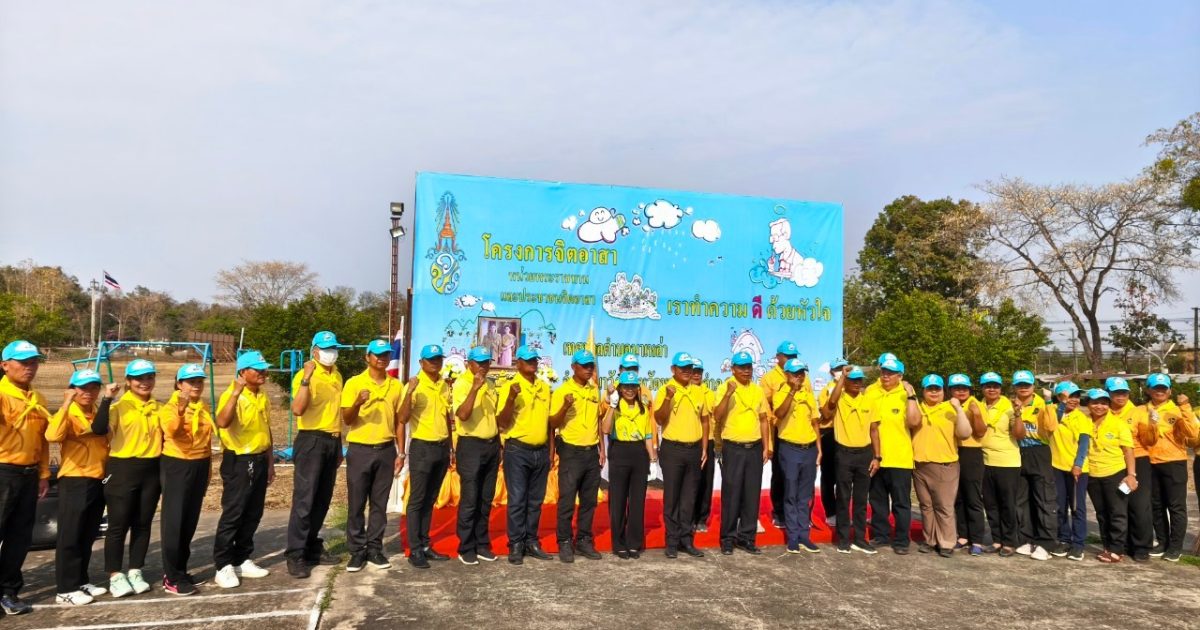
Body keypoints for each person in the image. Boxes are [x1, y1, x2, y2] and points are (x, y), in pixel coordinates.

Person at [46, 369, 116, 606]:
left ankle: (81, 580)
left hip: (98, 478)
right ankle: (65, 589)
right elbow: (52, 435)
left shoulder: (97, 411)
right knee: (71, 535)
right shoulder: (69, 412)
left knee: (87, 534)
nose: (89, 392)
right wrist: (66, 403)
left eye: (94, 387)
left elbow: (108, 437)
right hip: (75, 478)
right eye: (83, 388)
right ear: (72, 389)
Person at [100, 358, 163, 598]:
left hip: (152, 469)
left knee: (143, 523)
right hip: (123, 469)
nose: (145, 382)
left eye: (149, 377)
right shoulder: (118, 407)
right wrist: (107, 400)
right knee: (118, 525)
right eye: (138, 378)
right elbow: (101, 430)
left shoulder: (159, 407)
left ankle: (136, 570)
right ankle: (115, 575)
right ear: (128, 381)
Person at [213, 351, 275, 588]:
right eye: (257, 369)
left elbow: (266, 429)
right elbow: (222, 422)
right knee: (234, 512)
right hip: (239, 460)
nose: (263, 373)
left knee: (253, 512)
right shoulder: (233, 394)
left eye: (264, 369)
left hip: (259, 458)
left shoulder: (262, 395)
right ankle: (223, 565)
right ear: (242, 372)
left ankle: (242, 558)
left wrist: (270, 463)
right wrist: (236, 392)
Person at [341, 340, 404, 572]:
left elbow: (399, 421)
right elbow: (347, 419)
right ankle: (357, 551)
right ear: (367, 357)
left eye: (385, 354)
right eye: (377, 354)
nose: (382, 358)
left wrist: (401, 452)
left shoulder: (395, 385)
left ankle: (375, 549)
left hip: (386, 449)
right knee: (356, 503)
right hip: (360, 449)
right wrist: (358, 402)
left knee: (379, 504)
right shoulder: (354, 383)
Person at [287, 331, 345, 578]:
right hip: (311, 440)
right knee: (305, 500)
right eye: (325, 348)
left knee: (322, 499)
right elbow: (298, 409)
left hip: (332, 440)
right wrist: (306, 378)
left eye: (333, 348)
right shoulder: (305, 375)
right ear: (314, 351)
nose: (330, 353)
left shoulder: (337, 375)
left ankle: (312, 546)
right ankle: (295, 554)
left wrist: (339, 445)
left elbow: (335, 412)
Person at [0, 341, 51, 615]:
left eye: (33, 362)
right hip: (3, 471)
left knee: (19, 537)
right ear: (5, 365)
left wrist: (43, 473)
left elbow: (42, 441)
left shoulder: (38, 399)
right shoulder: (2, 395)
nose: (29, 367)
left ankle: (8, 592)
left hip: (29, 474)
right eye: (23, 362)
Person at [157, 364, 214, 595]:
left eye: (199, 381)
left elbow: (207, 439)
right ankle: (171, 576)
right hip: (178, 464)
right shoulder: (169, 408)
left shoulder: (202, 406)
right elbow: (171, 431)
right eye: (191, 382)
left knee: (189, 521)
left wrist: (208, 470)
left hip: (199, 464)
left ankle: (181, 570)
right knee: (174, 521)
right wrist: (181, 410)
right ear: (179, 384)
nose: (196, 386)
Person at [397, 345, 453, 570]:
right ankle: (415, 549)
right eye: (431, 360)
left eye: (438, 359)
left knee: (430, 499)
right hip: (422, 447)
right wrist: (410, 392)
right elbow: (402, 418)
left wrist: (451, 447)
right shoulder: (414, 384)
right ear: (421, 363)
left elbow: (446, 417)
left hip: (441, 447)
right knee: (417, 500)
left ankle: (425, 544)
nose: (435, 363)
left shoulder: (443, 384)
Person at [496, 345, 552, 564]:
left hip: (541, 450)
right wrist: (511, 398)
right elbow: (502, 422)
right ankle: (516, 543)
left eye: (534, 360)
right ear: (517, 363)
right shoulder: (509, 387)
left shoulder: (544, 387)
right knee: (518, 500)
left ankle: (531, 541)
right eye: (527, 360)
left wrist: (550, 450)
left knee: (536, 501)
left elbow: (549, 423)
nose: (532, 364)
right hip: (517, 450)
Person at [714, 350, 771, 555]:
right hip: (733, 448)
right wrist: (728, 394)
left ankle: (747, 537)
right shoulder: (725, 387)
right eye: (742, 367)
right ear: (733, 369)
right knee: (732, 494)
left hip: (754, 448)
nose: (746, 371)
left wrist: (766, 446)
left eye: (749, 367)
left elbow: (763, 419)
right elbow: (717, 416)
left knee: (751, 494)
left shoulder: (757, 390)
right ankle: (728, 538)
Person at [550, 349, 603, 562]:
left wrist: (602, 450)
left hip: (592, 452)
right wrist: (565, 406)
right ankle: (564, 541)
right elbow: (553, 423)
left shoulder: (594, 389)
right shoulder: (562, 391)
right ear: (573, 367)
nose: (589, 369)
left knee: (589, 501)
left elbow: (598, 420)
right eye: (584, 365)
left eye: (591, 365)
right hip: (571, 452)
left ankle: (583, 540)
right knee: (567, 500)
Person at [654, 352, 708, 559]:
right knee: (672, 498)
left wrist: (704, 448)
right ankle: (672, 541)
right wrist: (669, 397)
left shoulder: (698, 391)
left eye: (689, 368)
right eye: (682, 368)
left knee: (689, 498)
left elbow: (705, 420)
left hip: (694, 449)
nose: (687, 371)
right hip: (673, 450)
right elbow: (659, 419)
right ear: (673, 369)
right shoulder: (665, 389)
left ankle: (686, 540)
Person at [911, 375, 972, 557]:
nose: (934, 392)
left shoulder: (950, 408)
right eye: (929, 389)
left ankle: (946, 542)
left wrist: (959, 409)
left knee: (944, 507)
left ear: (943, 391)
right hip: (920, 465)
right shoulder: (917, 408)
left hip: (944, 465)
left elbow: (965, 433)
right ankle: (930, 540)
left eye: (937, 389)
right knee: (926, 506)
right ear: (923, 391)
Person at [452, 346, 502, 565]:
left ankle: (482, 544)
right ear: (468, 363)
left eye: (486, 362)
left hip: (491, 445)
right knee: (470, 498)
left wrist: (499, 444)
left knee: (485, 498)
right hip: (470, 445)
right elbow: (463, 415)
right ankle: (466, 546)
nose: (483, 366)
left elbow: (495, 416)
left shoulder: (491, 384)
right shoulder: (461, 384)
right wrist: (474, 388)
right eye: (479, 362)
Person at [865, 355, 919, 554]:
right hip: (875, 457)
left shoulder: (906, 394)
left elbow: (914, 422)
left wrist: (911, 396)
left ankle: (902, 540)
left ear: (900, 376)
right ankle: (881, 535)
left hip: (899, 458)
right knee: (877, 500)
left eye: (891, 373)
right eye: (884, 372)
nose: (886, 376)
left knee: (901, 503)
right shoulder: (871, 391)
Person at [1141, 374, 1197, 562]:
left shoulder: (1177, 410)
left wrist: (1185, 407)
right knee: (1156, 505)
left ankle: (1175, 547)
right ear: (1148, 390)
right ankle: (1162, 542)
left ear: (1170, 391)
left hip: (1174, 462)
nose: (1160, 391)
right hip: (1150, 463)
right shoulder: (1142, 411)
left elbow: (1193, 433)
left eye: (1164, 388)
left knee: (1176, 506)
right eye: (1156, 388)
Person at [601, 371, 655, 559]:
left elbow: (648, 436)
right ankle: (618, 543)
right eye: (626, 386)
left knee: (637, 501)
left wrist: (653, 459)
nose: (630, 390)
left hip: (639, 454)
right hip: (620, 452)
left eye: (633, 386)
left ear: (638, 388)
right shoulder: (615, 406)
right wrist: (612, 406)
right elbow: (605, 429)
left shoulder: (643, 408)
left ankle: (634, 542)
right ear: (620, 388)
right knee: (618, 500)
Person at [771, 358, 822, 553]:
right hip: (790, 449)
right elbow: (779, 414)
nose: (800, 376)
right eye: (796, 373)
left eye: (802, 373)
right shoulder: (781, 393)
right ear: (787, 375)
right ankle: (792, 537)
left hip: (809, 449)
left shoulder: (808, 394)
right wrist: (792, 391)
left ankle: (804, 536)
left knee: (805, 495)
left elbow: (815, 423)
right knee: (791, 493)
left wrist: (819, 449)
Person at [822, 366, 874, 554]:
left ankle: (859, 539)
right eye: (853, 380)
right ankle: (843, 539)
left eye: (860, 380)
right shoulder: (840, 397)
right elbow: (830, 404)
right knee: (843, 497)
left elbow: (874, 430)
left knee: (861, 499)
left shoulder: (868, 400)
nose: (857, 383)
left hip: (865, 453)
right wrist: (842, 378)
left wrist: (877, 456)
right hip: (844, 453)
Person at [1083, 388, 1138, 564]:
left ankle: (1117, 549)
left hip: (1114, 472)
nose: (1099, 406)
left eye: (1103, 403)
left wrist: (1131, 475)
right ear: (1088, 404)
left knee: (1117, 512)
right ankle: (1107, 546)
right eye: (1095, 402)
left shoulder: (1118, 424)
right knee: (1101, 513)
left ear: (1108, 405)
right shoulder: (1084, 422)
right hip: (1092, 473)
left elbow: (1128, 451)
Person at [1011, 370, 1058, 562]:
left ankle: (1046, 542)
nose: (1023, 388)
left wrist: (1048, 402)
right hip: (1018, 452)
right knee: (1022, 499)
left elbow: (1051, 427)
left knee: (1044, 498)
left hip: (1039, 451)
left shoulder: (1042, 403)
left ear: (1033, 386)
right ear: (1014, 387)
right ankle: (1026, 538)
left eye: (1027, 384)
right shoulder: (1010, 404)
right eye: (1019, 384)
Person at [1106, 377, 1153, 562]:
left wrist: (1153, 425)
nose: (1121, 396)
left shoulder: (1139, 412)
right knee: (1119, 504)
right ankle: (1122, 543)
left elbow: (1148, 439)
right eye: (1116, 393)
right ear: (1108, 393)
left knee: (1139, 505)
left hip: (1138, 459)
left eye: (1124, 393)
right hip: (1114, 461)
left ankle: (1141, 546)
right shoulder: (1104, 412)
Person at [979, 371, 1024, 557]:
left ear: (1001, 388)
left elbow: (1019, 435)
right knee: (990, 504)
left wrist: (1018, 414)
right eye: (988, 386)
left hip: (1007, 462)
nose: (992, 389)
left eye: (995, 386)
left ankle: (1009, 542)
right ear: (982, 388)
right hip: (984, 461)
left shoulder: (1009, 406)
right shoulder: (979, 405)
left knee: (1007, 504)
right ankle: (997, 540)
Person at [1048, 382, 1089, 561]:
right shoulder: (1053, 411)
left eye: (1076, 396)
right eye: (1069, 396)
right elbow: (1053, 423)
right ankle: (1064, 539)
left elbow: (1084, 444)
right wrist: (1061, 404)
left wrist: (1078, 464)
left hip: (1076, 469)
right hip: (1056, 467)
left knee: (1077, 507)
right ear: (1059, 397)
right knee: (1060, 506)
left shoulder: (1081, 418)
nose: (1074, 400)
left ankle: (1078, 544)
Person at [947, 374, 988, 555]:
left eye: (964, 388)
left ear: (970, 389)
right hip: (954, 452)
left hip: (971, 453)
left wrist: (976, 414)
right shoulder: (948, 405)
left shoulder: (975, 404)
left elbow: (980, 433)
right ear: (950, 390)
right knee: (958, 497)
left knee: (973, 497)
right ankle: (963, 535)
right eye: (957, 388)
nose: (961, 391)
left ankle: (977, 539)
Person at [760, 341, 799, 529]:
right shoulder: (769, 378)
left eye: (794, 356)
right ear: (778, 357)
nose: (791, 360)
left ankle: (797, 512)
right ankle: (779, 512)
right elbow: (765, 404)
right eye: (788, 356)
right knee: (780, 473)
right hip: (778, 428)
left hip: (797, 429)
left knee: (797, 474)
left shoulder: (802, 375)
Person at [816, 358, 848, 528]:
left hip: (849, 436)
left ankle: (843, 513)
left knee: (844, 477)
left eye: (844, 368)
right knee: (828, 477)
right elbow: (826, 414)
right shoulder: (827, 390)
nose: (842, 371)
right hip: (830, 434)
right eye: (838, 369)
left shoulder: (854, 388)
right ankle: (831, 512)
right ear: (831, 372)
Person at [689, 357, 716, 533]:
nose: (696, 375)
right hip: (690, 440)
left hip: (709, 441)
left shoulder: (710, 394)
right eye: (694, 371)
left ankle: (701, 519)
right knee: (691, 482)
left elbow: (715, 419)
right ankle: (689, 518)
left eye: (699, 371)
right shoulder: (685, 391)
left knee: (706, 482)